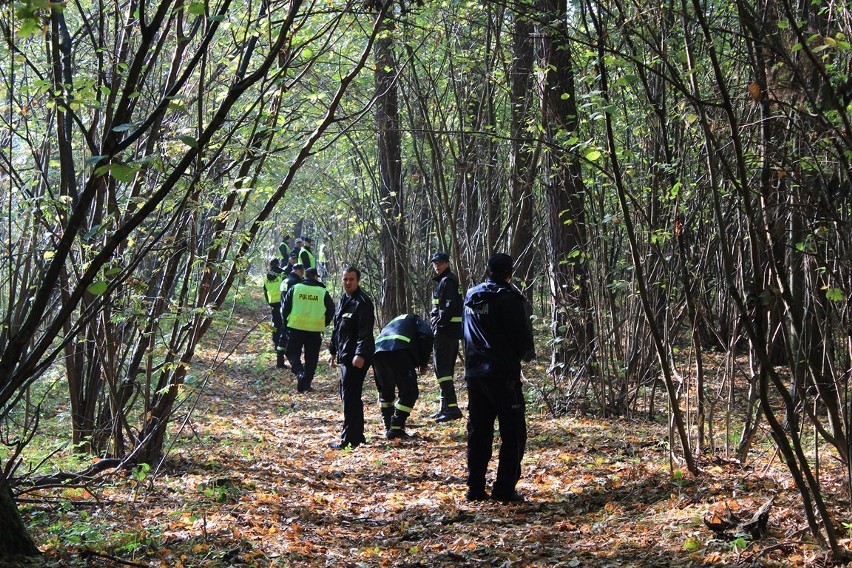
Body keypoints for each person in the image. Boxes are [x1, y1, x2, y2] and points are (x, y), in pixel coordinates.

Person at [463, 253, 535, 503]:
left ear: (487, 270)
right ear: (509, 273)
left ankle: (475, 488)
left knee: (479, 431)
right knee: (513, 433)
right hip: (502, 375)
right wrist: (527, 353)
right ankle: (504, 489)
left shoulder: (471, 296)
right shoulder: (508, 298)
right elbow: (521, 336)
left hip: (475, 373)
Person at [328, 267, 375, 449]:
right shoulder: (343, 300)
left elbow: (365, 332)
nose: (348, 283)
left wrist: (360, 354)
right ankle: (357, 435)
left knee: (350, 396)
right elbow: (337, 329)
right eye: (345, 279)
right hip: (344, 355)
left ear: (358, 281)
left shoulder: (362, 302)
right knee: (348, 395)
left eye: (351, 280)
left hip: (356, 357)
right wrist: (333, 352)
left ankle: (349, 439)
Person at [373, 314, 434, 439]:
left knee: (386, 392)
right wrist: (423, 362)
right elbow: (427, 335)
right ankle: (396, 428)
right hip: (399, 351)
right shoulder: (415, 319)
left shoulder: (396, 320)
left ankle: (389, 427)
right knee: (410, 392)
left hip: (377, 353)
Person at [281, 267, 334, 393]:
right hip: (314, 330)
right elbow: (331, 310)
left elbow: (285, 308)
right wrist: (323, 323)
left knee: (292, 353)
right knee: (311, 358)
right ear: (315, 277)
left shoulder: (295, 288)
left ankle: (299, 373)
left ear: (305, 275)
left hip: (296, 328)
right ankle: (306, 383)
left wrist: (285, 325)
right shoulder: (322, 292)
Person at [429, 251, 464, 422]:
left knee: (442, 370)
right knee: (444, 370)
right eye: (435, 262)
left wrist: (437, 327)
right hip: (448, 333)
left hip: (445, 333)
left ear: (447, 263)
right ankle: (445, 406)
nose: (437, 265)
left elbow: (447, 309)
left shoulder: (448, 281)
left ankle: (452, 407)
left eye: (441, 262)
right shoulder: (443, 281)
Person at [278, 263, 305, 365]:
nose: (302, 273)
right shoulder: (295, 282)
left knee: (283, 335)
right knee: (290, 337)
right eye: (302, 271)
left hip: (283, 310)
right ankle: (293, 360)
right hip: (292, 312)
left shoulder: (285, 280)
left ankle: (280, 360)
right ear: (298, 270)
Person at [263, 258, 287, 369]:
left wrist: (269, 302)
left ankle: (276, 343)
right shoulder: (282, 274)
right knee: (283, 326)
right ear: (278, 264)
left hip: (273, 303)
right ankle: (282, 349)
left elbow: (265, 291)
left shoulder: (266, 277)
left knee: (276, 326)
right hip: (282, 302)